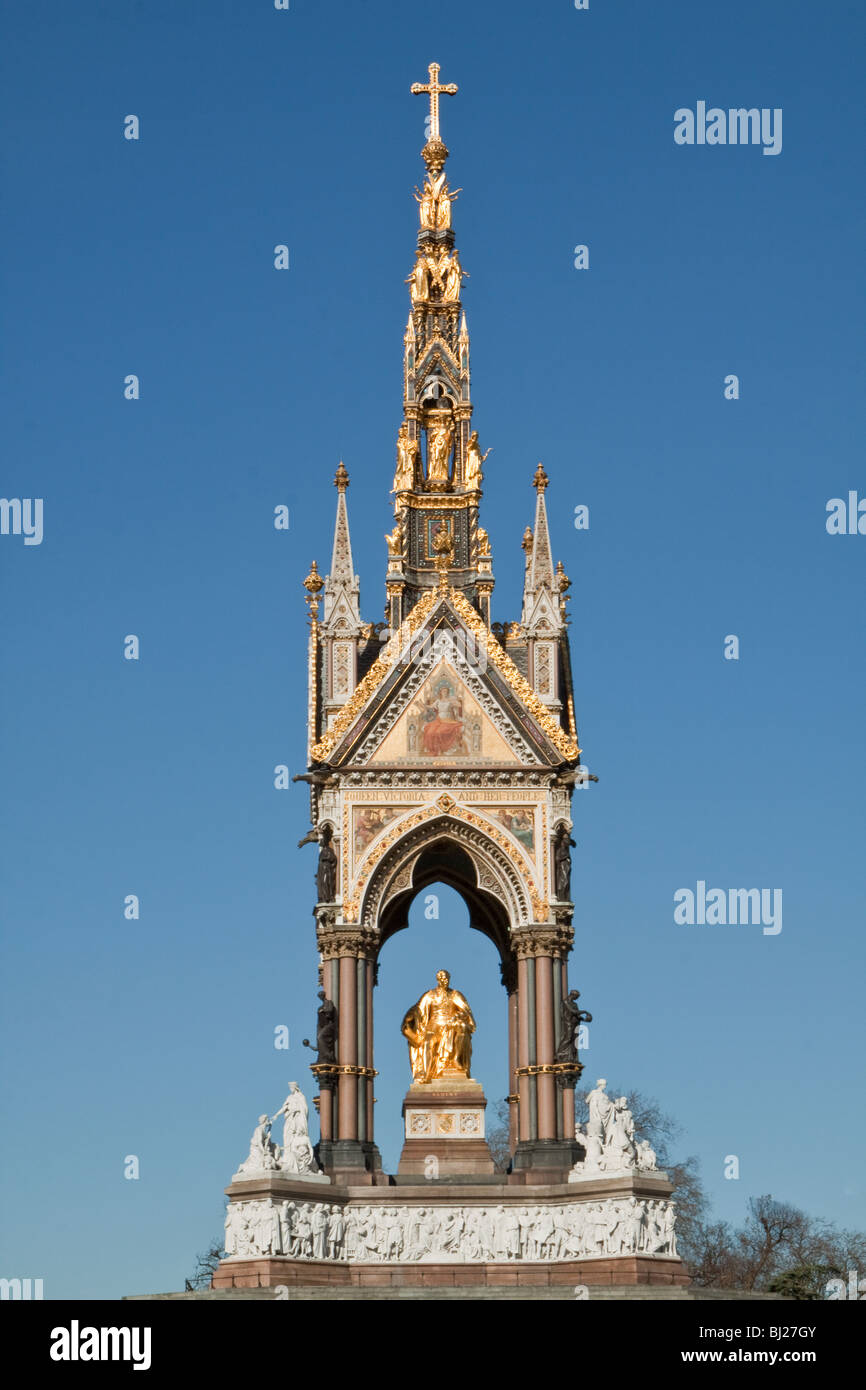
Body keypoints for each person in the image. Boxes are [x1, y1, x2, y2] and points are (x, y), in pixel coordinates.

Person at [401, 969, 476, 1082]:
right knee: (427, 1042)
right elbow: (418, 1009)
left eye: (446, 978)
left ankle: (456, 1060)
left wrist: (457, 1017)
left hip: (450, 1025)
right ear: (438, 980)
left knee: (461, 1027)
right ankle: (426, 1074)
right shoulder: (429, 995)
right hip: (434, 1025)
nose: (444, 981)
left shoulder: (455, 994)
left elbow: (466, 1011)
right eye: (442, 979)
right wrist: (409, 1018)